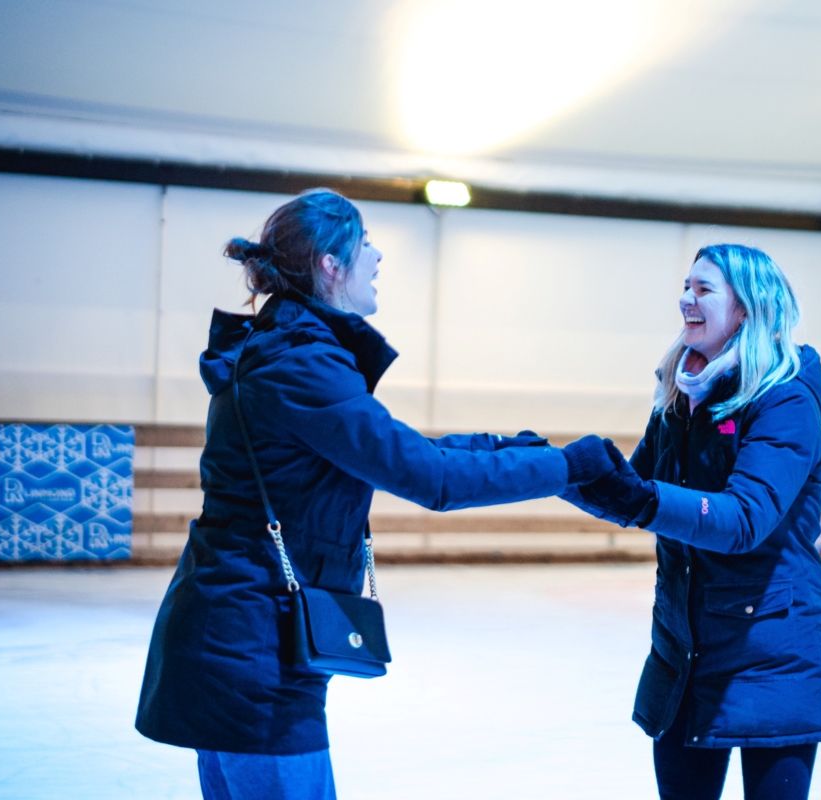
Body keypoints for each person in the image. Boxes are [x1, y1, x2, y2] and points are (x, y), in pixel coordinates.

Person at [134, 188, 611, 799]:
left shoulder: (289, 352)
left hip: (247, 637)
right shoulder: (297, 365)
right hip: (250, 652)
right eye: (365, 245)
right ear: (331, 265)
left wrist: (514, 449)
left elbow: (401, 449)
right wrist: (565, 469)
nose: (378, 256)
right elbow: (430, 479)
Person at [565, 244, 821, 800]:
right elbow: (635, 489)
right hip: (684, 650)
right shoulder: (681, 388)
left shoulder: (785, 397)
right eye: (686, 286)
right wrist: (557, 470)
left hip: (770, 650)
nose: (686, 298)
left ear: (746, 308)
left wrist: (640, 499)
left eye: (704, 289)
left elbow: (744, 518)